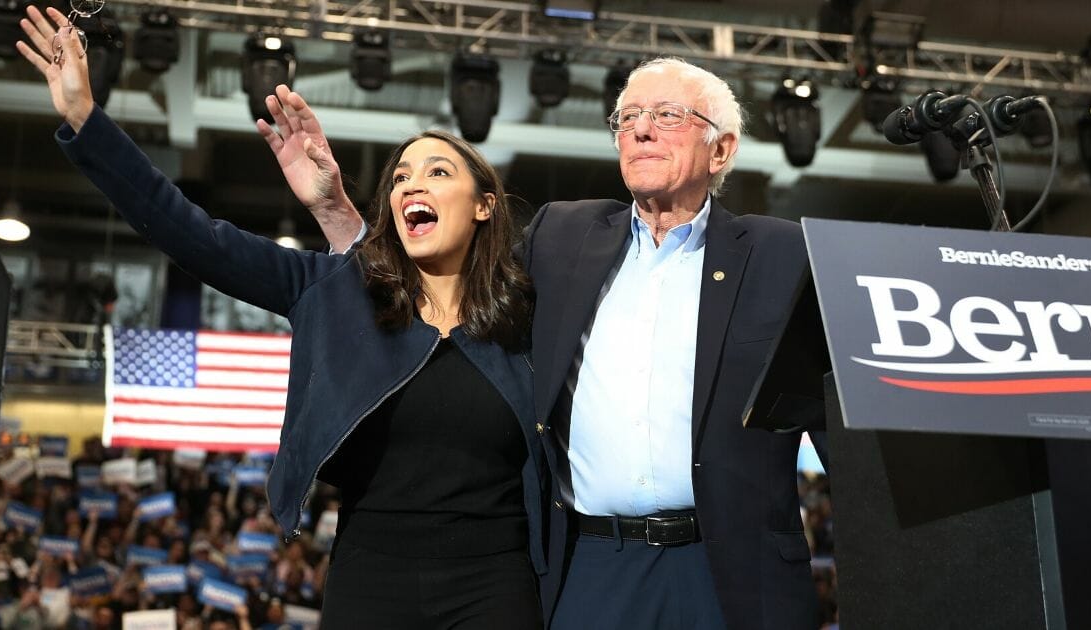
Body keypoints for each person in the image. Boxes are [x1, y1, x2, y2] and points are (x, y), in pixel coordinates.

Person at [15, 7, 548, 628]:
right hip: (371, 581)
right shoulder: (333, 290)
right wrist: (86, 119)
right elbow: (189, 233)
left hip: (497, 583)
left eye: (437, 171)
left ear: (485, 205)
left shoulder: (527, 312)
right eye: (399, 176)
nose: (409, 185)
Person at [301, 57, 826, 629]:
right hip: (593, 567)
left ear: (721, 150)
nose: (641, 129)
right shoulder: (560, 236)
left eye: (668, 114)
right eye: (628, 118)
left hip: (733, 570)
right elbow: (449, 281)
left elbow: (842, 422)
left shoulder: (783, 254)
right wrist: (336, 216)